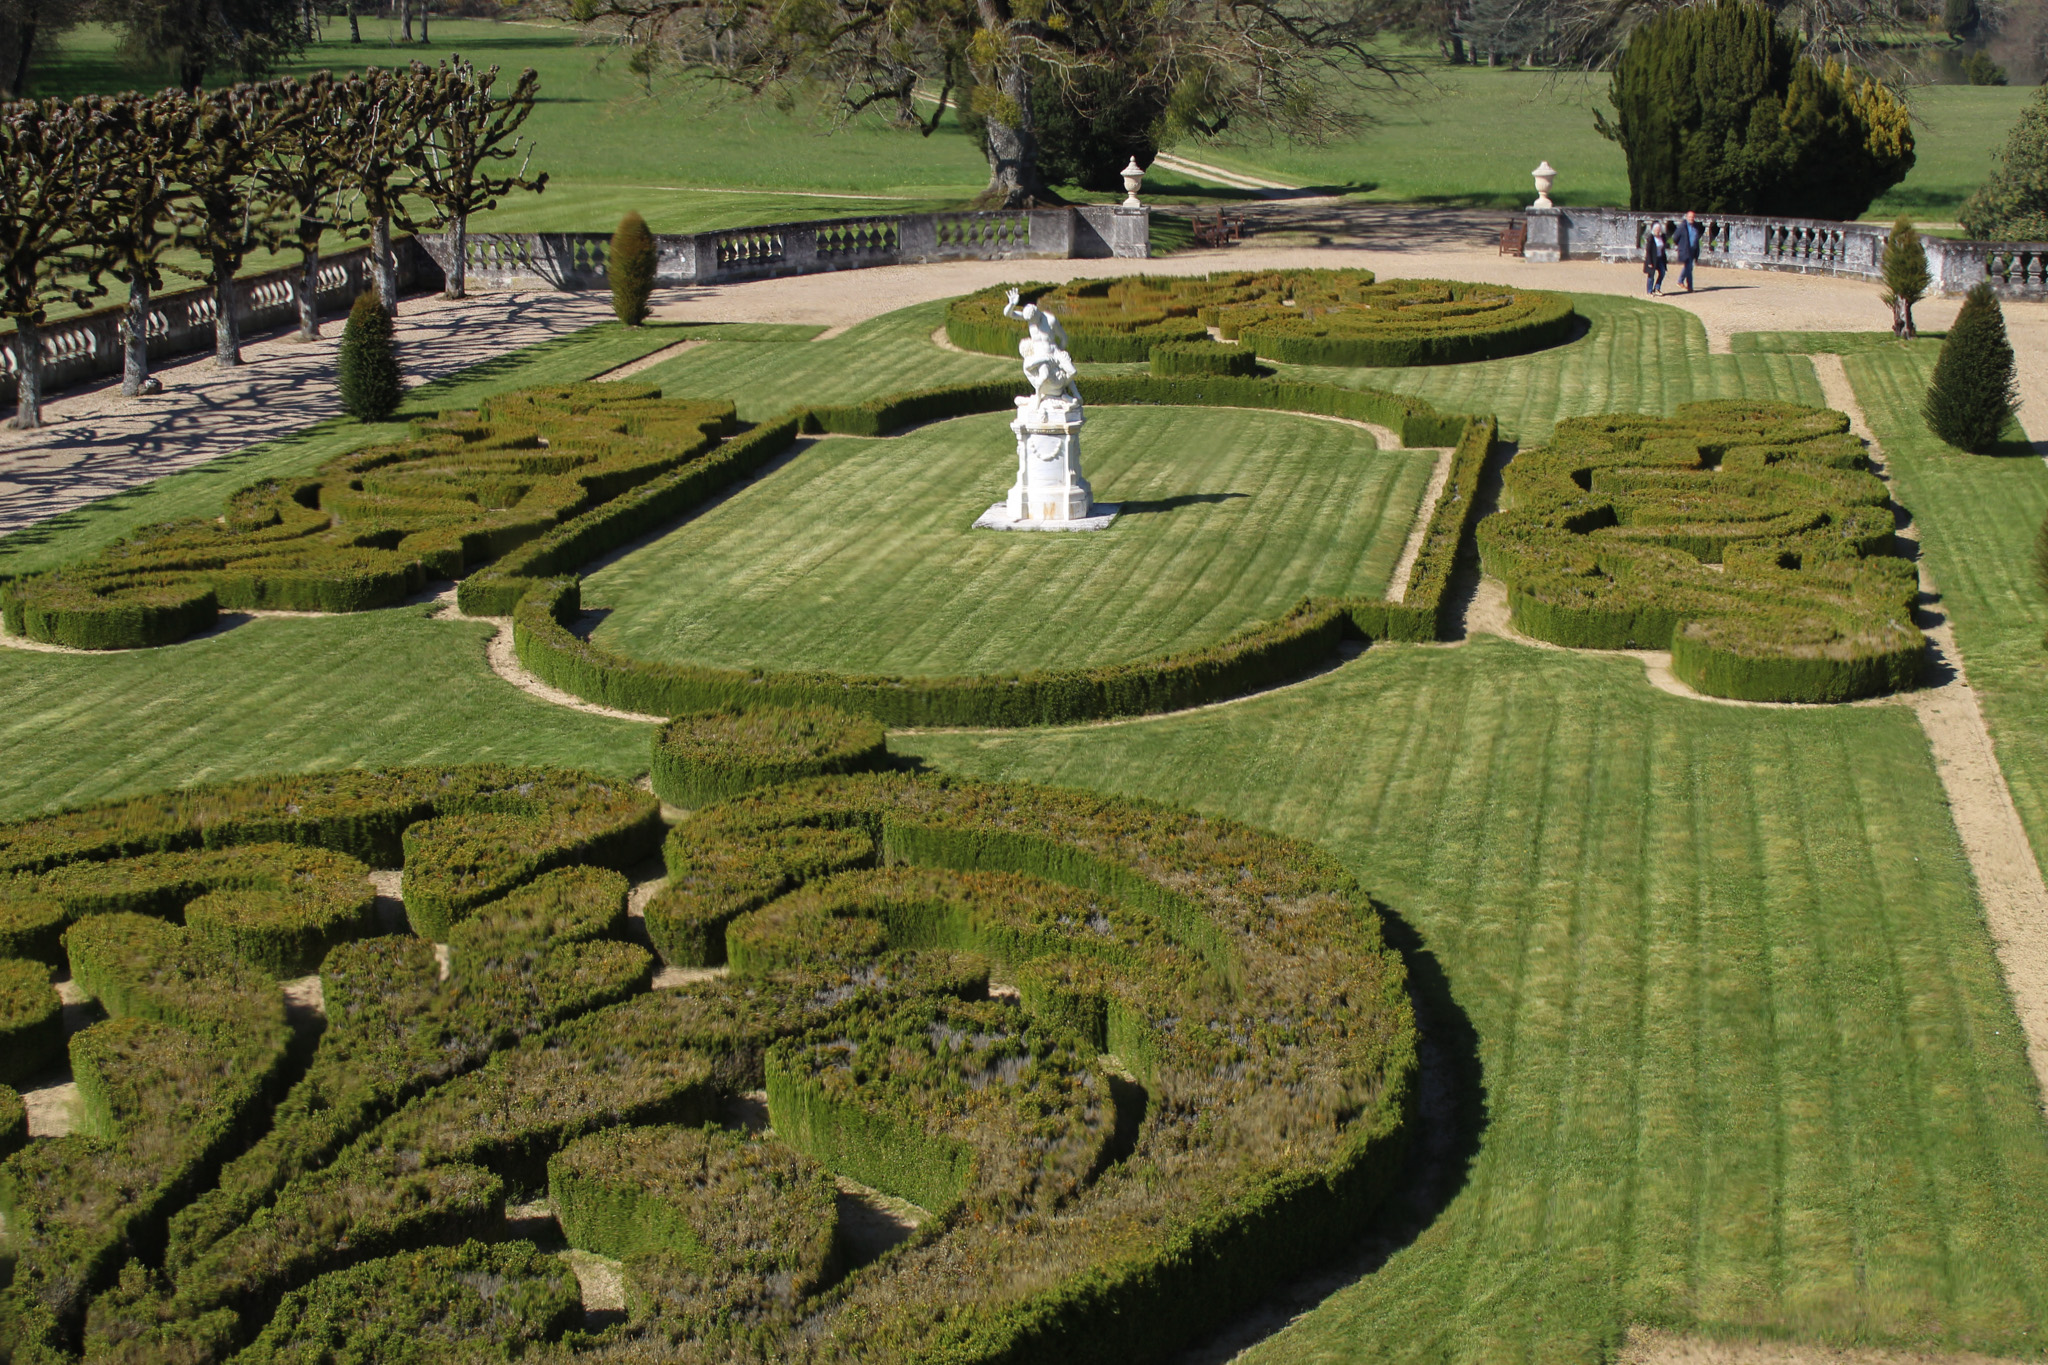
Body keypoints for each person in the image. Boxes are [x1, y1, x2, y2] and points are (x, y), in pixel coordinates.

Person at [1674, 209, 1704, 293]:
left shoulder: (1696, 226)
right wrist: (1681, 245)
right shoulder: (1682, 226)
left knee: (1689, 267)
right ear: (1687, 217)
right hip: (1685, 250)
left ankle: (1680, 281)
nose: (1691, 218)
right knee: (1689, 267)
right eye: (1690, 217)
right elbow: (1675, 238)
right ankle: (1690, 287)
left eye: (1693, 217)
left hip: (1693, 250)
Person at [1643, 223, 1668, 296]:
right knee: (1651, 275)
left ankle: (1657, 287)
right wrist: (1650, 262)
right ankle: (1649, 291)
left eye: (1658, 229)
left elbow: (1663, 248)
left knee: (1662, 272)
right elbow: (1648, 251)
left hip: (1660, 258)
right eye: (1656, 229)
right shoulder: (1651, 238)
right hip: (1652, 259)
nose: (1657, 231)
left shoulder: (1662, 237)